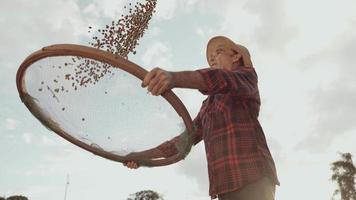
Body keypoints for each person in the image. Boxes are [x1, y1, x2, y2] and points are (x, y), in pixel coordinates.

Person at [124, 36, 280, 200]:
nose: (212, 58)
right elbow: (181, 143)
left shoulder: (246, 77)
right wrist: (141, 156)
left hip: (252, 176)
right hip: (225, 187)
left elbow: (221, 79)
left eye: (218, 51)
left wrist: (174, 78)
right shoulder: (208, 107)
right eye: (210, 56)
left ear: (236, 57)